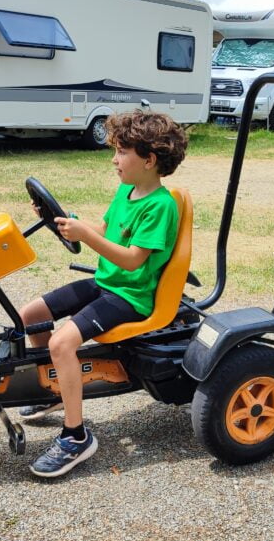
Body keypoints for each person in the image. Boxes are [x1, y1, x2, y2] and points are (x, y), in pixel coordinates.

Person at [16, 111, 187, 477]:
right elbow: (106, 230)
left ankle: (75, 437)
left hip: (131, 296)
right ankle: (54, 390)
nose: (114, 159)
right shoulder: (128, 190)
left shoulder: (161, 206)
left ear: (149, 159)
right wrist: (64, 222)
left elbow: (130, 260)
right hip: (106, 282)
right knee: (31, 314)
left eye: (122, 152)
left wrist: (85, 235)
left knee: (61, 343)